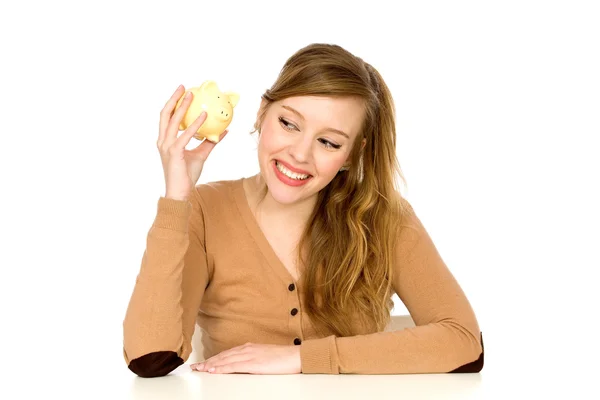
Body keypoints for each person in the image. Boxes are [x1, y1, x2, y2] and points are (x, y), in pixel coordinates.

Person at [122, 43, 484, 377]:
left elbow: (463, 341)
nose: (300, 153)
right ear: (263, 112)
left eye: (328, 142)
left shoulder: (384, 215)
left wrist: (300, 358)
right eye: (288, 123)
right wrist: (176, 200)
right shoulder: (203, 209)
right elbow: (151, 357)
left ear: (353, 154)